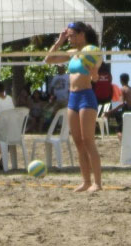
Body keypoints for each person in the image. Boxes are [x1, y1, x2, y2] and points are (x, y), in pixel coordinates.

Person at [45, 21, 102, 192]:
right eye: (67, 35)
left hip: (86, 96)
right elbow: (48, 60)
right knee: (78, 142)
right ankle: (85, 181)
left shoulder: (92, 52)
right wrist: (59, 41)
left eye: (71, 35)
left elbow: (95, 79)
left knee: (88, 140)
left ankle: (97, 183)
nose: (69, 38)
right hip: (73, 98)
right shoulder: (71, 53)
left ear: (81, 34)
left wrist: (93, 73)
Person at [105, 73, 131, 140]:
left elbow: (121, 104)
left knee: (118, 128)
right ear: (129, 80)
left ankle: (120, 137)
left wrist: (110, 112)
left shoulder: (122, 89)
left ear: (120, 80)